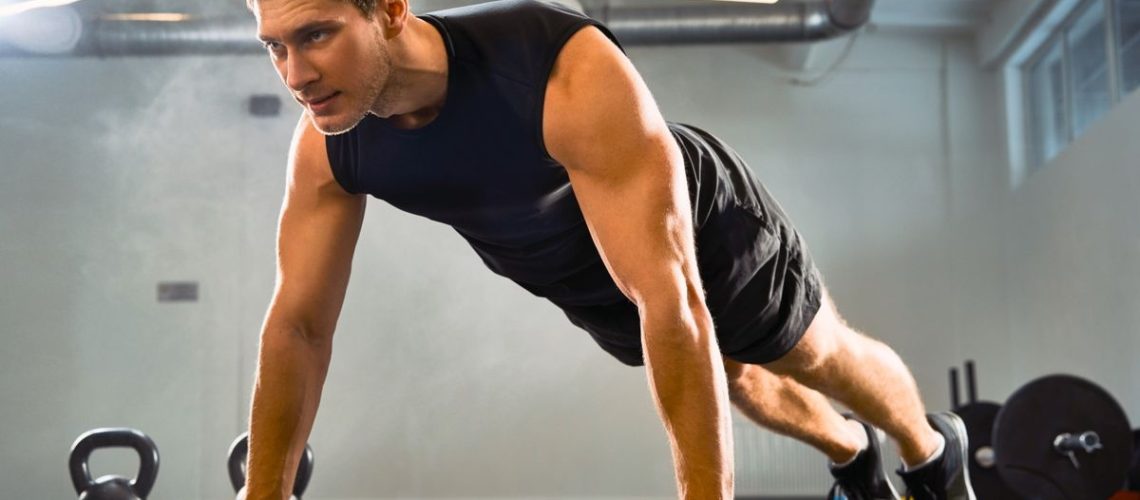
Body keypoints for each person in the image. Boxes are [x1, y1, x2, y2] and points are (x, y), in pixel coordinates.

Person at [242, 0, 976, 498]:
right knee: (741, 384)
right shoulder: (329, 148)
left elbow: (670, 294)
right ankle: (852, 454)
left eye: (316, 35)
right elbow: (299, 327)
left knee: (808, 355)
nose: (296, 76)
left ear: (391, 8)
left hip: (696, 229)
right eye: (275, 47)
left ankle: (932, 450)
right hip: (580, 276)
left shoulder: (553, 67)